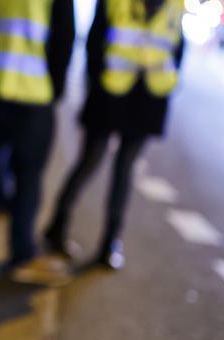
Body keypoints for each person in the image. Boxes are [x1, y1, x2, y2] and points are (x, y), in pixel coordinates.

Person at [44, 0, 185, 270]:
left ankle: (110, 242)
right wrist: (95, 83)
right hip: (109, 92)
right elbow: (95, 43)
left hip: (148, 97)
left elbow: (177, 48)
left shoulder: (176, 5)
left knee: (124, 170)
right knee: (90, 162)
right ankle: (57, 226)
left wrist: (168, 85)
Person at [0, 0, 74, 282]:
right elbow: (63, 38)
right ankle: (22, 255)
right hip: (32, 93)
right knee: (27, 179)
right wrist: (53, 88)